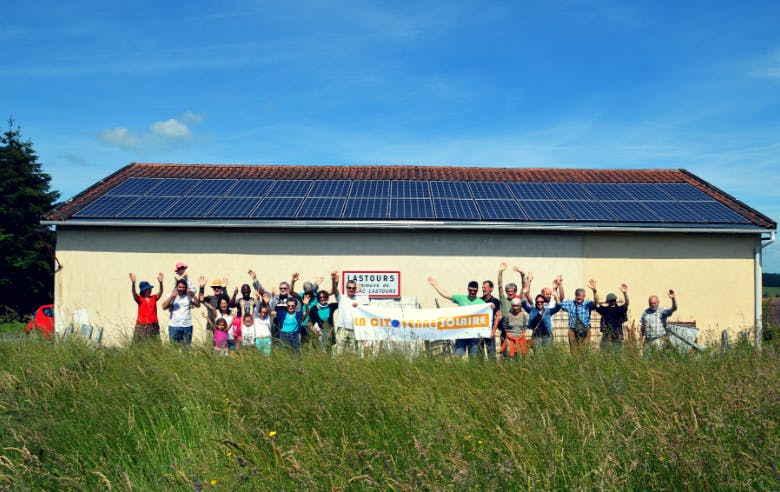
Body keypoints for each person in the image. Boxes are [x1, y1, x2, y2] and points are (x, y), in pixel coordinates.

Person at [427, 277, 486, 358]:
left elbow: (487, 315)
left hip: (474, 334)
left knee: (473, 357)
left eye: (474, 291)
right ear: (468, 289)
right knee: (458, 356)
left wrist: (491, 306)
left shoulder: (481, 302)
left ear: (477, 290)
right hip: (461, 333)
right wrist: (435, 285)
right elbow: (446, 295)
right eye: (470, 290)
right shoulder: (461, 298)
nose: (472, 292)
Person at [559, 279, 599, 352]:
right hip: (572, 330)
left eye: (580, 295)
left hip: (585, 330)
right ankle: (574, 363)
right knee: (574, 352)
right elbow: (559, 302)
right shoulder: (570, 303)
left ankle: (583, 363)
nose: (578, 297)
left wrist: (594, 291)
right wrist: (560, 286)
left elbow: (597, 303)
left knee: (584, 351)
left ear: (584, 296)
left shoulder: (588, 304)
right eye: (577, 295)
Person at [334, 272, 369, 355]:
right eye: (349, 287)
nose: (351, 289)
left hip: (355, 330)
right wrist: (334, 281)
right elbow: (335, 289)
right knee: (339, 352)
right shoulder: (341, 297)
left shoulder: (359, 300)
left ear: (355, 289)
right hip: (342, 328)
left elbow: (364, 314)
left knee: (353, 353)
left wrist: (359, 306)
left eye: (353, 288)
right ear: (346, 288)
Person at [162, 279, 201, 344]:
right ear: (176, 287)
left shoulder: (189, 296)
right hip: (174, 325)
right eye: (180, 287)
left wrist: (193, 295)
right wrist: (171, 296)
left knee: (186, 348)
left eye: (183, 287)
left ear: (186, 288)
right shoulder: (171, 295)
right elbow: (163, 307)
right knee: (173, 347)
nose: (181, 289)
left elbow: (198, 305)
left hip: (187, 325)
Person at [129, 272, 163, 342]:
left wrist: (161, 283)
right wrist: (133, 283)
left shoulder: (153, 298)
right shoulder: (140, 299)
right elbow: (134, 293)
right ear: (143, 291)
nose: (150, 290)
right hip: (141, 326)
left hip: (153, 325)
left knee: (155, 344)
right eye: (148, 289)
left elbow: (161, 292)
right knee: (138, 344)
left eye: (150, 289)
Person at [596, 284, 629, 353]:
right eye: (611, 300)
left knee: (617, 355)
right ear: (607, 301)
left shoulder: (620, 309)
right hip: (606, 336)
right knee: (605, 355)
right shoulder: (605, 310)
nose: (612, 302)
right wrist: (594, 291)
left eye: (613, 300)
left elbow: (627, 303)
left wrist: (625, 293)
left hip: (617, 336)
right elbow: (597, 304)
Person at [306, 285, 340, 351]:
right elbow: (309, 322)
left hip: (329, 335)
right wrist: (313, 329)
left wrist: (335, 284)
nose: (322, 298)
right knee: (318, 354)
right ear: (318, 299)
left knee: (329, 353)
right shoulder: (314, 308)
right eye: (320, 297)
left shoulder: (331, 306)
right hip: (318, 336)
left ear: (327, 298)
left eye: (324, 297)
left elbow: (341, 301)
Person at [480, 280, 502, 359]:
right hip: (480, 331)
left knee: (491, 353)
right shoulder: (479, 300)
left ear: (491, 289)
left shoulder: (495, 301)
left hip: (490, 330)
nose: (483, 289)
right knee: (480, 354)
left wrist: (493, 331)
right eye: (482, 287)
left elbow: (498, 316)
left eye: (485, 287)